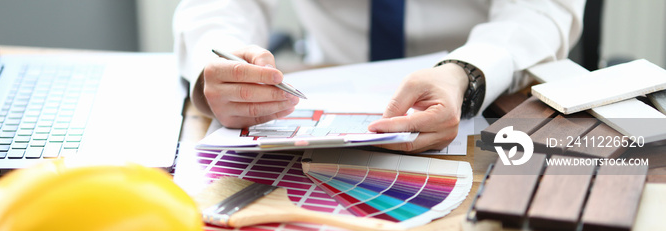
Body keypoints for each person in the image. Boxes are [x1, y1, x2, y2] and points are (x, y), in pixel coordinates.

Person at [173, 0, 585, 153]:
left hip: (482, 101)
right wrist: (223, 58)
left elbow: (541, 9)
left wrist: (466, 72)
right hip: (327, 94)